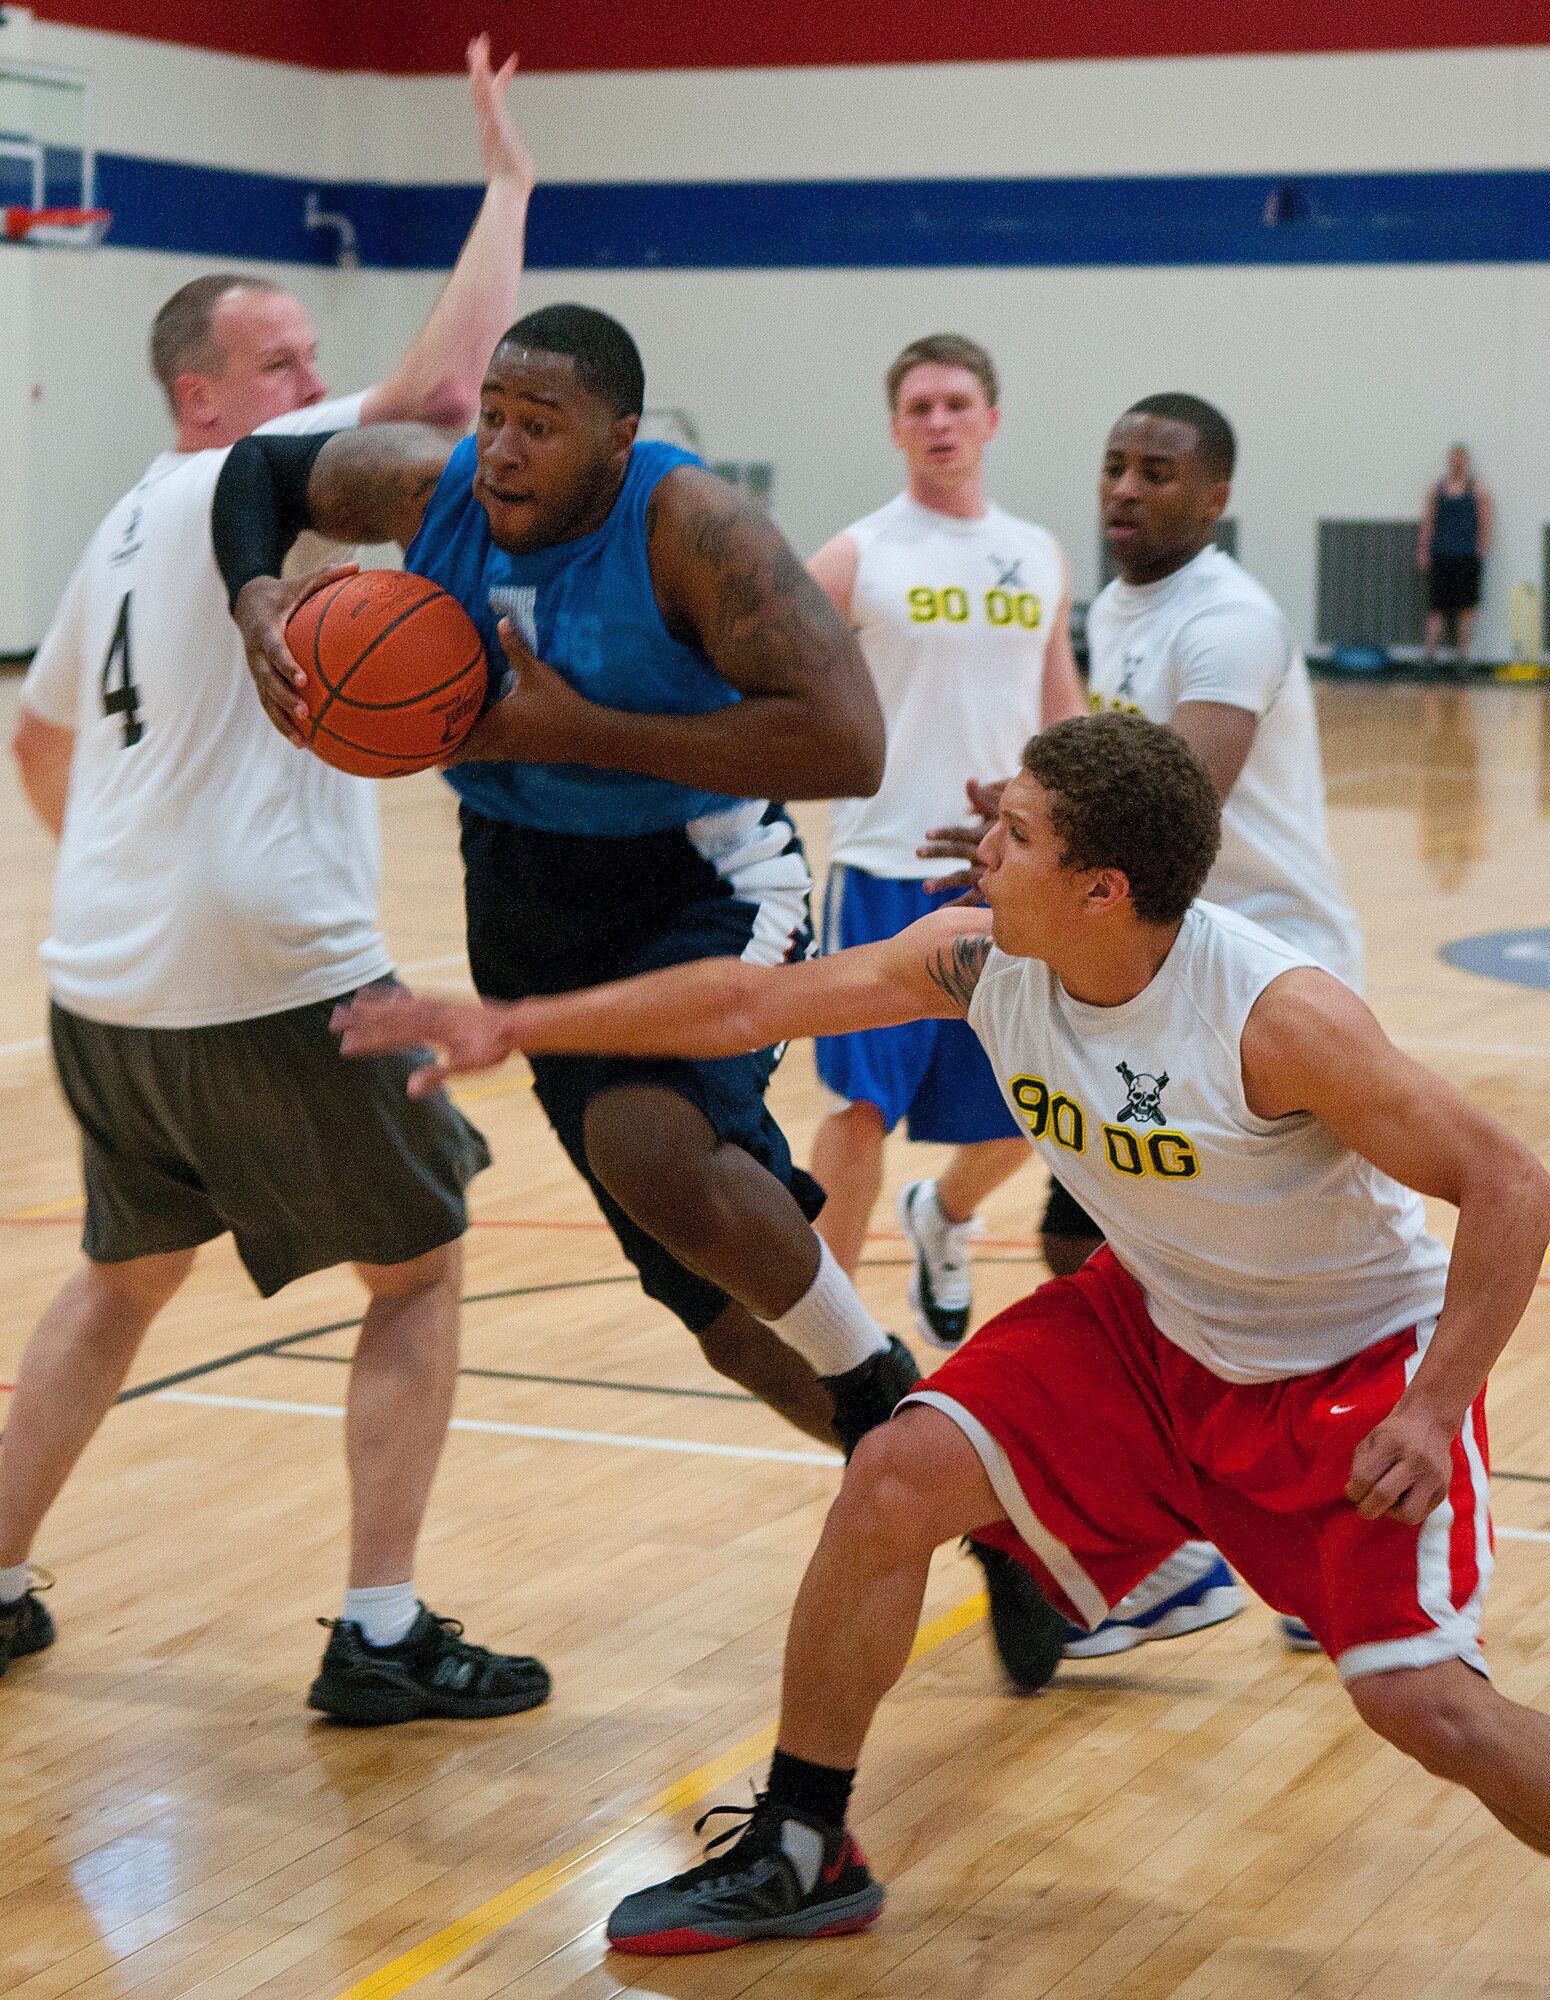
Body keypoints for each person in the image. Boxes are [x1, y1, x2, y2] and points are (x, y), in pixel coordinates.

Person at [333, 713, 1550, 1955]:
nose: (978, 848)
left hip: (1341, 1364)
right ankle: (804, 1846)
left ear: (1100, 888)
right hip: (1153, 1328)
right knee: (892, 1475)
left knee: (1424, 1707)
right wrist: (519, 1025)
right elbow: (749, 1001)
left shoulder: (1275, 1019)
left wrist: (1434, 1400)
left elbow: (1508, 1181)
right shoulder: (971, 959)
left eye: (1013, 833)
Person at [212, 303, 1071, 1694]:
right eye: (491, 412)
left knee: (649, 1141)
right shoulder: (428, 489)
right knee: (724, 1324)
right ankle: (986, 1513)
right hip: (523, 894)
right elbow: (260, 472)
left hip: (701, 874)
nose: (498, 447)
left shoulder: (696, 529)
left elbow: (845, 743)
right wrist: (260, 590)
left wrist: (580, 731)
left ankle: (886, 1406)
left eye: (537, 426)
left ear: (619, 440)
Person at [1, 39, 554, 1725]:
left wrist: (132, 869)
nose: (321, 379)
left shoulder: (118, 519)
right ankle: (380, 1633)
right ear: (208, 397)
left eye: (318, 354)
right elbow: (453, 397)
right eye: (285, 360)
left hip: (104, 976)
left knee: (118, 1276)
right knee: (424, 1266)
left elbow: (36, 744)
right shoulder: (264, 480)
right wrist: (511, 188)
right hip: (275, 973)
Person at [926, 393, 1363, 1657]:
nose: (1124, 488)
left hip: (1273, 983)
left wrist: (1031, 843)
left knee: (1301, 1279)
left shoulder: (1225, 621)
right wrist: (1019, 828)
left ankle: (1308, 1530)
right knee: (1106, 1237)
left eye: (1157, 472)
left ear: (1213, 495)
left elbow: (1182, 802)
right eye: (1113, 465)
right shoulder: (1115, 608)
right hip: (1151, 970)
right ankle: (1193, 1552)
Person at [806, 333, 1084, 1348]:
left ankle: (946, 1213)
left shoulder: (1038, 551)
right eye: (918, 406)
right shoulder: (854, 554)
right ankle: (830, 1334)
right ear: (894, 427)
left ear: (990, 419)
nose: (937, 422)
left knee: (1027, 1113)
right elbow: (774, 671)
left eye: (956, 403)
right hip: (883, 864)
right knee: (857, 1105)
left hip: (1007, 874)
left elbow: (1060, 706)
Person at [1420, 444, 1492, 666]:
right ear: (1449, 461)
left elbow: (1485, 522)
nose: (1456, 462)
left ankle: (1462, 659)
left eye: (1460, 459)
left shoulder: (1477, 489)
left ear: (1466, 462)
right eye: (1453, 458)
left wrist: (1479, 550)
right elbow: (1429, 521)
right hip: (1441, 555)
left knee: (1465, 610)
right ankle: (1429, 658)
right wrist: (1423, 551)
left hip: (1466, 557)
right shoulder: (1437, 489)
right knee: (1436, 608)